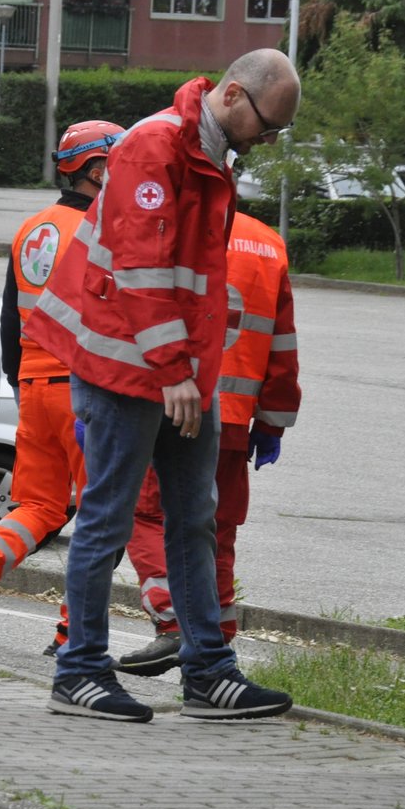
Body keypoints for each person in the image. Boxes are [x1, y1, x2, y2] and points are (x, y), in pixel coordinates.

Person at [25, 48, 301, 722]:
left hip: (178, 374)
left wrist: (196, 376)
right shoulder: (155, 146)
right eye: (268, 125)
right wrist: (178, 371)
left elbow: (194, 280)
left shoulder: (209, 159)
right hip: (125, 368)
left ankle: (208, 671)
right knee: (108, 520)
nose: (268, 141)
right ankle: (80, 670)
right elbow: (142, 270)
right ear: (234, 96)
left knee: (193, 522)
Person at [0, 120, 125, 646]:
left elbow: (9, 319)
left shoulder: (31, 229)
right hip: (86, 390)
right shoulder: (102, 229)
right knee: (102, 515)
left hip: (35, 387)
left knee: (41, 506)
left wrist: (23, 384)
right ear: (96, 170)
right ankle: (73, 634)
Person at [115, 211, 302, 676]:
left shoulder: (163, 224)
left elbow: (128, 317)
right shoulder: (267, 243)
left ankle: (173, 619)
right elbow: (281, 343)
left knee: (147, 514)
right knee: (217, 529)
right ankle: (215, 648)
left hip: (166, 403)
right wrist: (272, 422)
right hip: (236, 416)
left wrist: (99, 401)